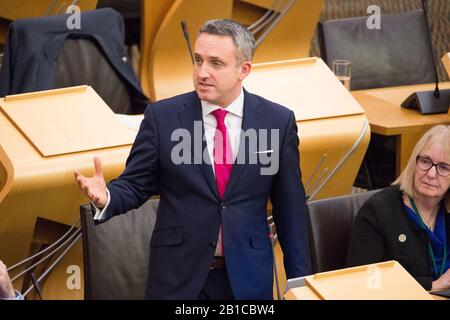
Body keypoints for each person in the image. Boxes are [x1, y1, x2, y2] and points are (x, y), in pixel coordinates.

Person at [75, 19, 310, 300]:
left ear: (243, 70)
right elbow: (136, 185)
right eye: (198, 60)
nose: (202, 73)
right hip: (178, 280)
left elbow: (290, 210)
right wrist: (107, 197)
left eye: (216, 63)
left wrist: (299, 284)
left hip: (247, 281)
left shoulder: (277, 122)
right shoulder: (162, 118)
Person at [347, 125, 450, 291]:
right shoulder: (377, 212)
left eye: (443, 167)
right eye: (425, 161)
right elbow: (364, 283)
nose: (431, 173)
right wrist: (435, 285)